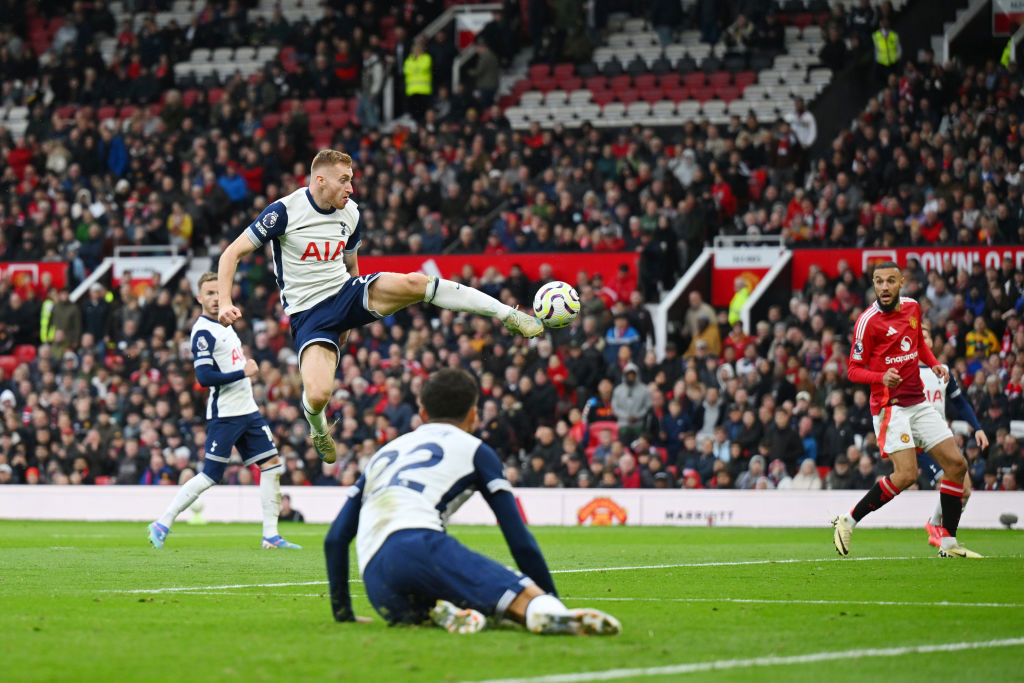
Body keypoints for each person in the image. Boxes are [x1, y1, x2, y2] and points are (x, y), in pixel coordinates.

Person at [217, 150, 542, 466]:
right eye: (344, 180)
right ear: (320, 180)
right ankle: (318, 431)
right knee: (317, 396)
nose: (351, 188)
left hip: (345, 292)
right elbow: (230, 254)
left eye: (352, 180)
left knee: (417, 284)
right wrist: (226, 302)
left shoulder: (351, 212)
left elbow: (352, 263)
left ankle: (510, 314)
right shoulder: (284, 212)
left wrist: (352, 316)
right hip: (308, 314)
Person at [323, 368, 620, 635]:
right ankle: (546, 613)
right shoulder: (477, 450)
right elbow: (518, 539)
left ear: (422, 413)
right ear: (474, 415)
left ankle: (441, 612)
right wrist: (549, 596)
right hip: (419, 545)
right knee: (526, 601)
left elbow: (335, 539)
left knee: (452, 603)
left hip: (377, 581)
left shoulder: (385, 452)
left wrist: (343, 614)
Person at [834, 261, 981, 558]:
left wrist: (934, 362)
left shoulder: (913, 308)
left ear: (901, 282)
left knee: (957, 466)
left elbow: (916, 345)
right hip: (890, 407)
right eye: (879, 281)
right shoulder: (866, 322)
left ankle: (949, 543)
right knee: (906, 475)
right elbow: (852, 370)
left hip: (918, 402)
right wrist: (880, 377)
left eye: (890, 281)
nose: (884, 287)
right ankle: (848, 520)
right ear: (874, 285)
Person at [148, 272, 301, 550]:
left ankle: (271, 536)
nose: (215, 298)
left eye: (219, 292)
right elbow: (204, 377)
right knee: (210, 476)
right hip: (226, 414)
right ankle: (163, 521)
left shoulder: (225, 324)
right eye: (209, 293)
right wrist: (243, 372)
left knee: (272, 467)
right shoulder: (203, 332)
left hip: (248, 411)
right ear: (199, 298)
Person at [917, 320, 988, 547]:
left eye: (927, 336)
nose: (924, 340)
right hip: (920, 440)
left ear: (932, 342)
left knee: (965, 490)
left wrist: (977, 428)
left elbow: (961, 403)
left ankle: (936, 524)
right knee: (948, 480)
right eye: (920, 336)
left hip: (941, 437)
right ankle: (939, 530)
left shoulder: (944, 371)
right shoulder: (905, 372)